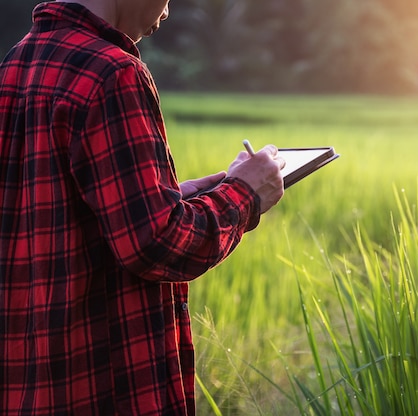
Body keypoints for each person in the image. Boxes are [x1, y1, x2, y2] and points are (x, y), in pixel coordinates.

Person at [0, 0, 285, 414]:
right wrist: (245, 195)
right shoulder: (113, 72)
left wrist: (170, 195)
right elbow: (159, 244)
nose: (167, 13)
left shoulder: (17, 62)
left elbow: (49, 211)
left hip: (33, 382)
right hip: (102, 385)